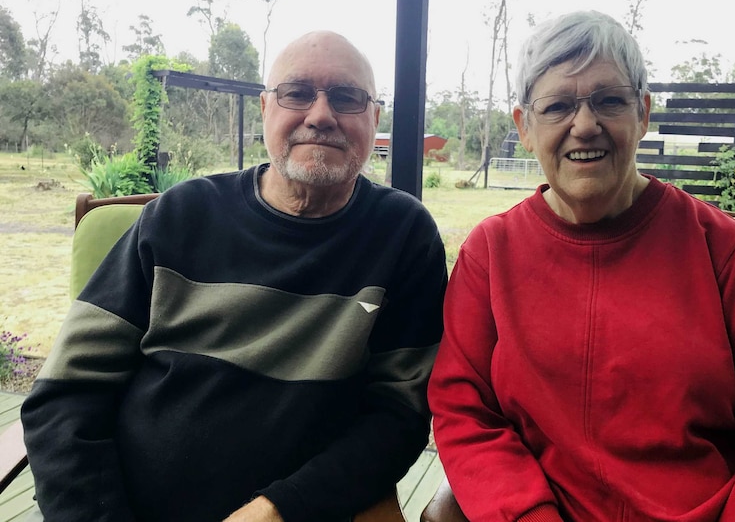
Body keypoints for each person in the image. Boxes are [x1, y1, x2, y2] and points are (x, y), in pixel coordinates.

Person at [427, 10, 735, 522]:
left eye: (608, 100)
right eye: (558, 106)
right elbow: (467, 414)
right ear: (525, 129)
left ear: (642, 113)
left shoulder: (726, 253)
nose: (585, 126)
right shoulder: (490, 254)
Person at [21, 30, 448, 522]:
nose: (321, 114)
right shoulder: (180, 215)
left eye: (347, 97)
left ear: (374, 119)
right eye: (297, 93)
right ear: (266, 108)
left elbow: (400, 414)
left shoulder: (402, 234)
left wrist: (280, 509)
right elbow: (66, 393)